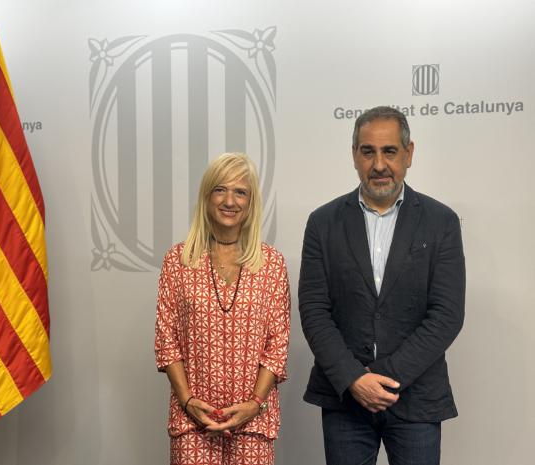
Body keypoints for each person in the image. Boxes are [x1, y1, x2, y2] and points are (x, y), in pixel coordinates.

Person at [298, 106, 465, 465]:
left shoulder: (441, 223)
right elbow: (314, 310)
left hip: (417, 398)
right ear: (354, 155)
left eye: (389, 151)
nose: (378, 164)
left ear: (408, 154)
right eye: (367, 151)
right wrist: (354, 379)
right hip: (345, 398)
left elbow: (447, 315)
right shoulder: (322, 223)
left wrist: (381, 378)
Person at [155, 152, 291, 465]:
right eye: (220, 190)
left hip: (253, 421)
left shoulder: (271, 264)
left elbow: (277, 346)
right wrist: (188, 402)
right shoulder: (177, 261)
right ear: (206, 197)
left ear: (251, 202)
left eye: (240, 192)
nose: (229, 201)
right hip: (192, 422)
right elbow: (167, 342)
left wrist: (254, 403)